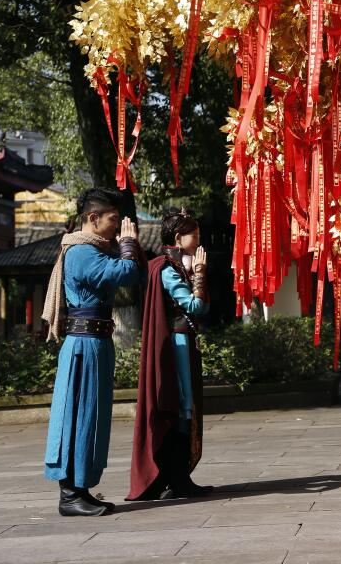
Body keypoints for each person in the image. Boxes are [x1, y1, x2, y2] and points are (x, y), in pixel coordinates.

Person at [42, 187, 142, 517]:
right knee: (79, 415)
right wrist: (128, 244)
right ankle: (70, 494)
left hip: (94, 343)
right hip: (84, 345)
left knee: (91, 416)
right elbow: (125, 273)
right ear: (93, 218)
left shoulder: (92, 249)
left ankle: (80, 488)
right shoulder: (82, 253)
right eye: (114, 219)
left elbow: (130, 272)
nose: (117, 226)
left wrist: (126, 247)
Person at [127, 209, 213, 500]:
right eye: (195, 235)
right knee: (181, 407)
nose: (199, 240)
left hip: (183, 341)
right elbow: (195, 306)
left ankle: (178, 477)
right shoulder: (166, 267)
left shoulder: (173, 266)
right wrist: (200, 275)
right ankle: (177, 479)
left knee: (184, 408)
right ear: (179, 237)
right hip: (177, 343)